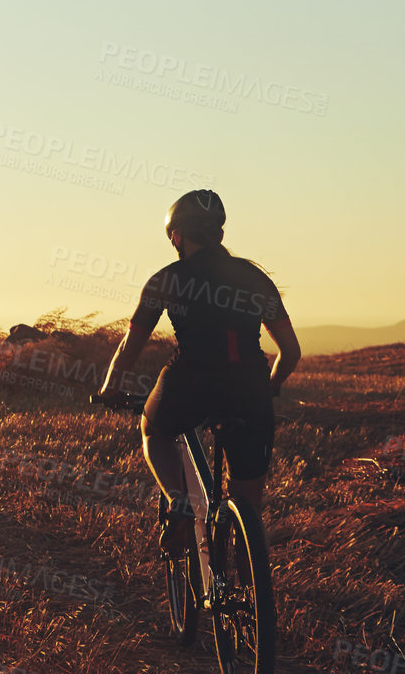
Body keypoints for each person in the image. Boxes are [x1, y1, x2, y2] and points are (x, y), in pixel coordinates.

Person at [98, 190, 301, 554]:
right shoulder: (255, 278)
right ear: (218, 234)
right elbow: (291, 352)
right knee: (249, 505)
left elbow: (129, 347)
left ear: (177, 236)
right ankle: (252, 601)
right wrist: (270, 386)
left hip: (190, 380)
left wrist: (111, 388)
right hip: (249, 384)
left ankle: (178, 502)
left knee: (153, 430)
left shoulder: (167, 279)